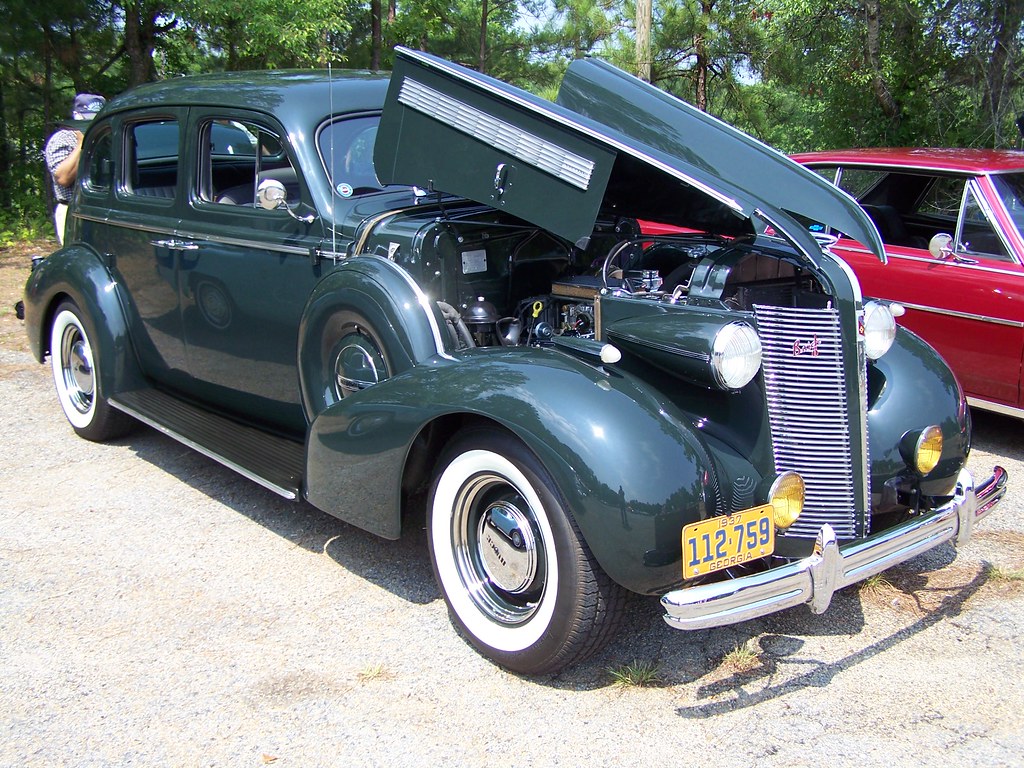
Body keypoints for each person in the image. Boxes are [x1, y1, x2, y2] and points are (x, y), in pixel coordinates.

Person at [44, 93, 106, 244]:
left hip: (102, 209)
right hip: (72, 210)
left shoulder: (107, 137)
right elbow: (63, 178)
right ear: (76, 115)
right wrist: (82, 143)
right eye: (88, 117)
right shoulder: (62, 139)